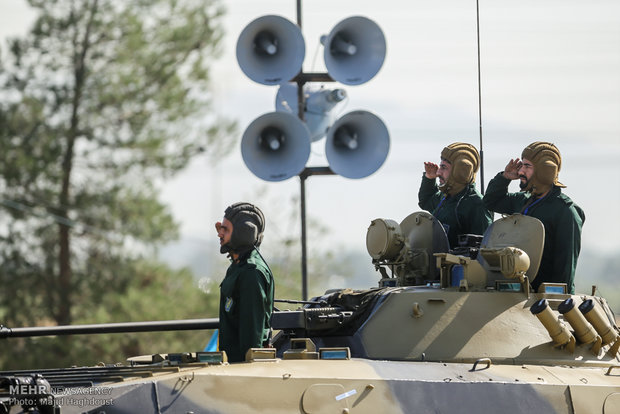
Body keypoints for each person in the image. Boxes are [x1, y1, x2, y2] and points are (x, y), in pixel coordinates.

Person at [483, 141, 585, 294]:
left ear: (544, 171)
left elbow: (565, 265)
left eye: (527, 166)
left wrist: (555, 302)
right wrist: (505, 178)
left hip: (541, 297)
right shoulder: (523, 200)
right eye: (521, 165)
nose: (521, 172)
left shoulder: (565, 211)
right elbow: (491, 201)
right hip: (517, 291)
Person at [216, 202, 274, 362]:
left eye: (225, 229)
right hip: (231, 362)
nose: (219, 234)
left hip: (242, 369)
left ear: (242, 233)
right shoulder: (237, 266)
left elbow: (251, 339)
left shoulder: (251, 272)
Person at [418, 142, 493, 248]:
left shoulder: (477, 205)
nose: (438, 172)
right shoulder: (446, 197)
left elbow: (482, 249)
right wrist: (429, 178)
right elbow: (426, 202)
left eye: (444, 167)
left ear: (460, 172)